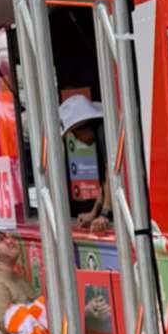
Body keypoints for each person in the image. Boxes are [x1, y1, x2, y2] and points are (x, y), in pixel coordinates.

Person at [59, 94, 111, 232]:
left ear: (82, 127)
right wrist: (93, 213)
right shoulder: (100, 131)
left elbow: (112, 173)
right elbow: (105, 182)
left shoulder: (103, 132)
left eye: (75, 134)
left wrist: (104, 214)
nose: (77, 139)